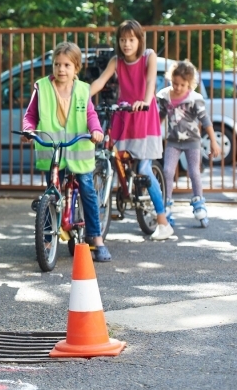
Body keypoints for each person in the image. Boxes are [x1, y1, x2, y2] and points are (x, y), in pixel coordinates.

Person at [22, 42, 110, 261]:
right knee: (51, 193)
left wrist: (96, 130)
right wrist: (28, 129)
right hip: (53, 152)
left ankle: (96, 239)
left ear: (76, 68)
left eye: (67, 65)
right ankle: (47, 239)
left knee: (88, 190)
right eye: (57, 64)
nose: (61, 69)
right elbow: (31, 115)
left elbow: (90, 115)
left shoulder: (82, 90)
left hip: (78, 149)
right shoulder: (41, 87)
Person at [90, 20, 172, 240]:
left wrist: (145, 102)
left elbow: (150, 83)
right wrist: (81, 97)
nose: (127, 44)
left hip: (144, 115)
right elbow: (100, 82)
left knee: (144, 169)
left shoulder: (149, 56)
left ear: (139, 40)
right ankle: (121, 192)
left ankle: (163, 221)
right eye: (123, 40)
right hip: (124, 114)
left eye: (131, 39)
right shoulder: (116, 61)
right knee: (112, 157)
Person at [156, 60, 221, 228]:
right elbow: (160, 116)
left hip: (192, 141)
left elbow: (205, 121)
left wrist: (213, 141)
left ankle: (199, 204)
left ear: (189, 84)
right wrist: (154, 133)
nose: (177, 87)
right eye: (174, 83)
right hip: (173, 141)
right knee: (168, 171)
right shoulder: (165, 96)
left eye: (182, 85)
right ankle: (167, 205)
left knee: (194, 172)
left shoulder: (194, 99)